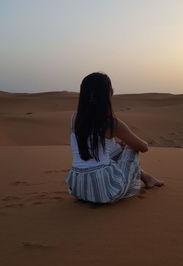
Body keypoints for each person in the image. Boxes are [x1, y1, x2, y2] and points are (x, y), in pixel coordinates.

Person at [66, 72, 164, 203]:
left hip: (78, 188)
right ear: (108, 93)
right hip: (104, 192)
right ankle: (147, 178)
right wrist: (127, 144)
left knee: (113, 149)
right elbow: (143, 147)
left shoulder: (74, 119)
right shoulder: (110, 123)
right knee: (131, 148)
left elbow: (100, 144)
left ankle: (147, 178)